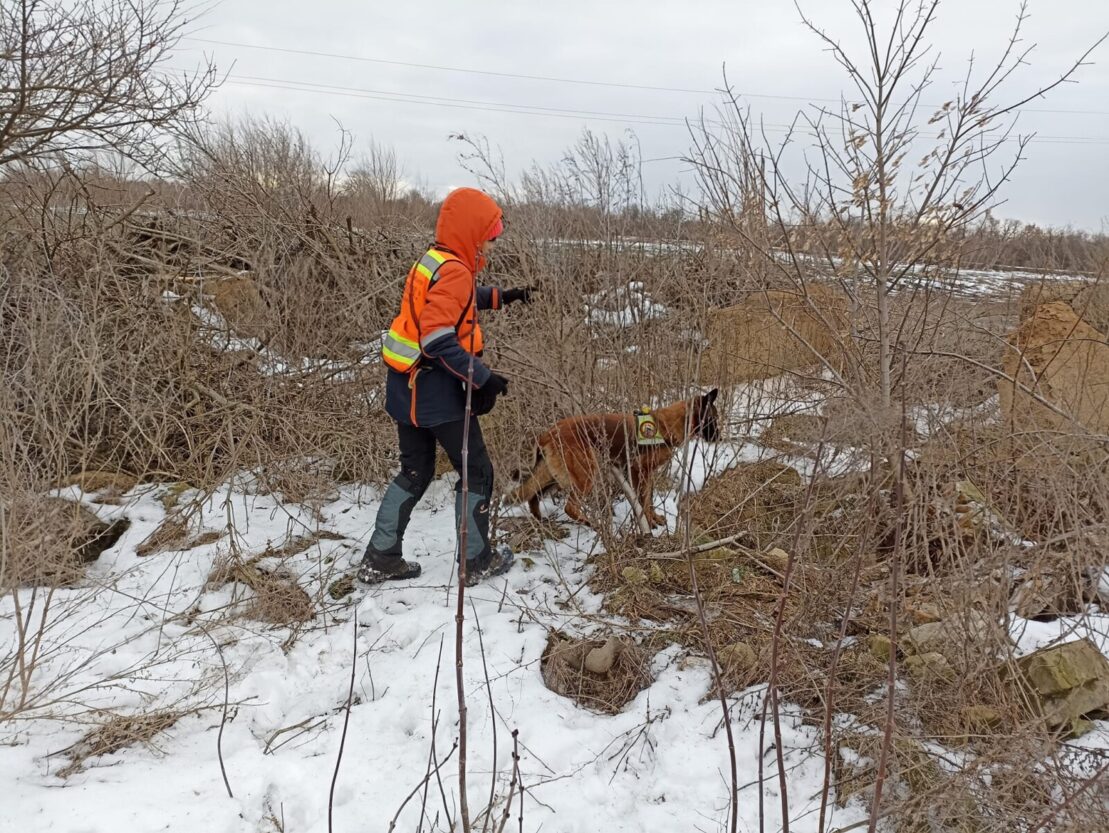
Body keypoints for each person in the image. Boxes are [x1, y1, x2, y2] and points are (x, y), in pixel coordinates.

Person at [358, 187, 533, 587]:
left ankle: (380, 557)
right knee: (477, 473)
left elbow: (450, 300)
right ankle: (476, 561)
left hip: (406, 390)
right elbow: (437, 339)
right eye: (489, 232)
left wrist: (500, 297)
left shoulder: (434, 260)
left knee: (415, 472)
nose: (492, 240)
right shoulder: (455, 269)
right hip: (438, 395)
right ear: (470, 230)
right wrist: (483, 377)